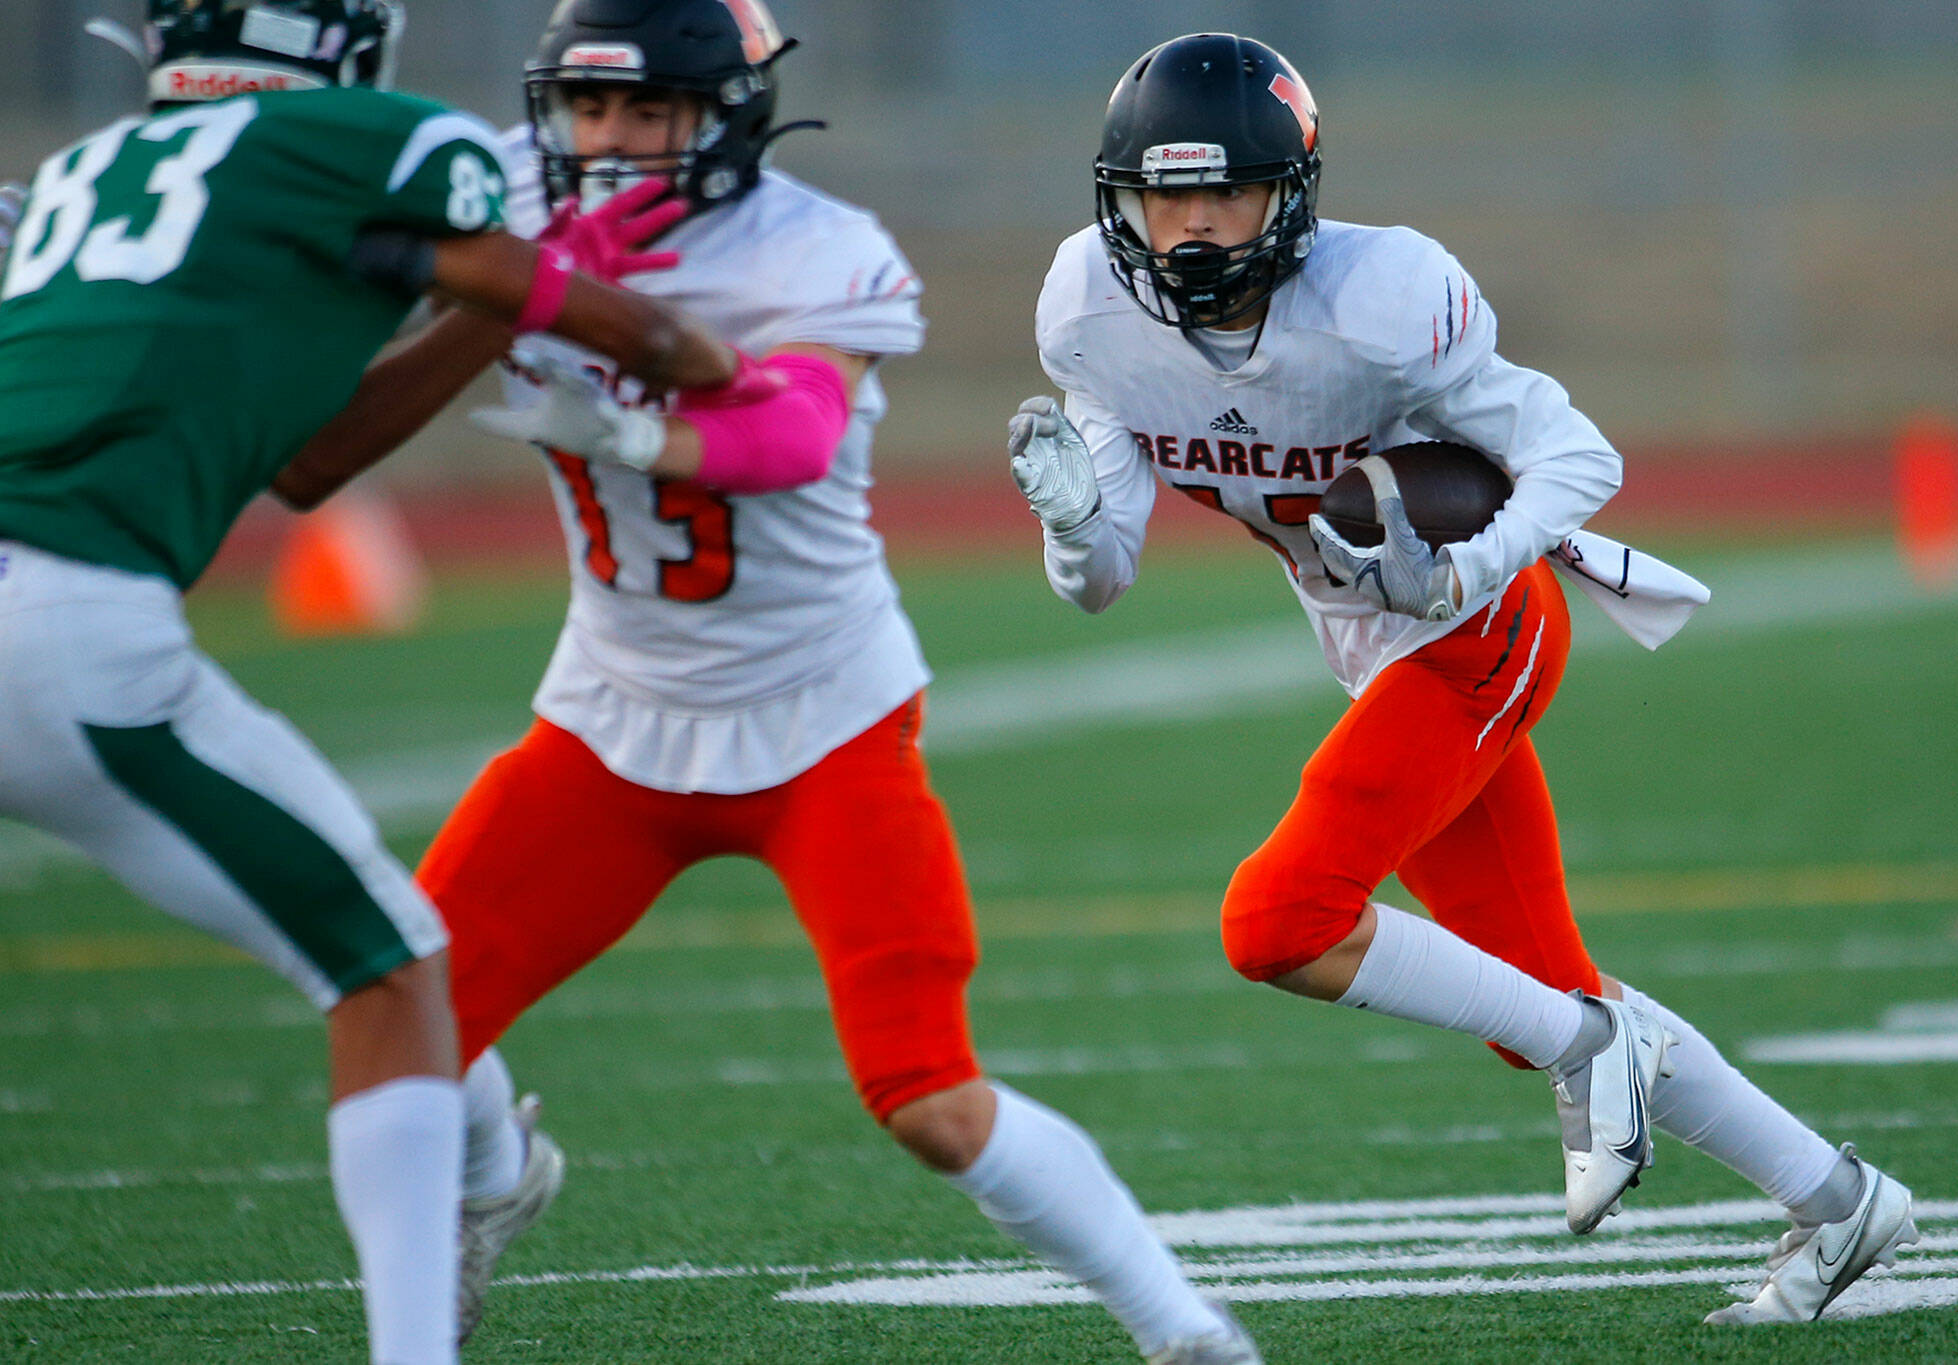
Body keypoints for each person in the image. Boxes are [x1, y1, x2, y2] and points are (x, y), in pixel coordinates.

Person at [269, 2, 1259, 1360]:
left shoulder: (813, 246)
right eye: (587, 109)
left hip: (822, 719)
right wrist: (514, 282)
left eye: (647, 113)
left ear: (725, 115)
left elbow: (793, 430)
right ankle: (491, 1180)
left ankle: (1185, 1327)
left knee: (925, 1091)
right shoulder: (499, 185)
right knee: (396, 1013)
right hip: (610, 721)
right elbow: (316, 441)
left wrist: (603, 366)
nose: (608, 142)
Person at [1008, 31, 1918, 1326]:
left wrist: (1465, 567)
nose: (1195, 229)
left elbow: (1575, 455)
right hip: (1377, 649)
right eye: (1167, 197)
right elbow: (1099, 577)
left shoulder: (1378, 292)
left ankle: (1595, 1051)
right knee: (1535, 994)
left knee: (1279, 918)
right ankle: (1839, 1199)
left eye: (1227, 195)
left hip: (1483, 627)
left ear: (1292, 192)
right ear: (1122, 201)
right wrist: (1065, 517)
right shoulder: (1090, 312)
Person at [0, 2, 748, 1361]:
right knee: (390, 968)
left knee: (393, 945)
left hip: (55, 605)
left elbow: (305, 463)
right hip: (63, 624)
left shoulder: (74, 179)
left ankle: (493, 1172)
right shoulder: (360, 137)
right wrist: (654, 338)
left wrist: (490, 292)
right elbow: (522, 280)